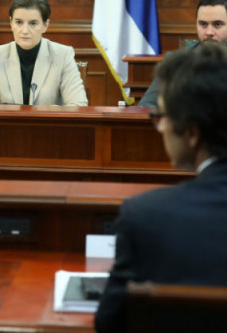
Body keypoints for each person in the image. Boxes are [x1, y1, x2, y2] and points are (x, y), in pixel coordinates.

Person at [95, 44, 227, 333]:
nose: (161, 128)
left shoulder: (145, 215)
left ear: (191, 133)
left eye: (162, 117)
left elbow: (108, 322)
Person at [0, 0, 87, 105]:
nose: (25, 31)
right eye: (19, 22)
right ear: (11, 23)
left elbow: (78, 105)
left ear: (45, 25)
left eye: (33, 23)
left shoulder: (63, 55)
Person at [138, 0, 227, 107]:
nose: (209, 32)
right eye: (203, 24)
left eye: (218, 24)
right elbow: (146, 106)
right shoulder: (177, 63)